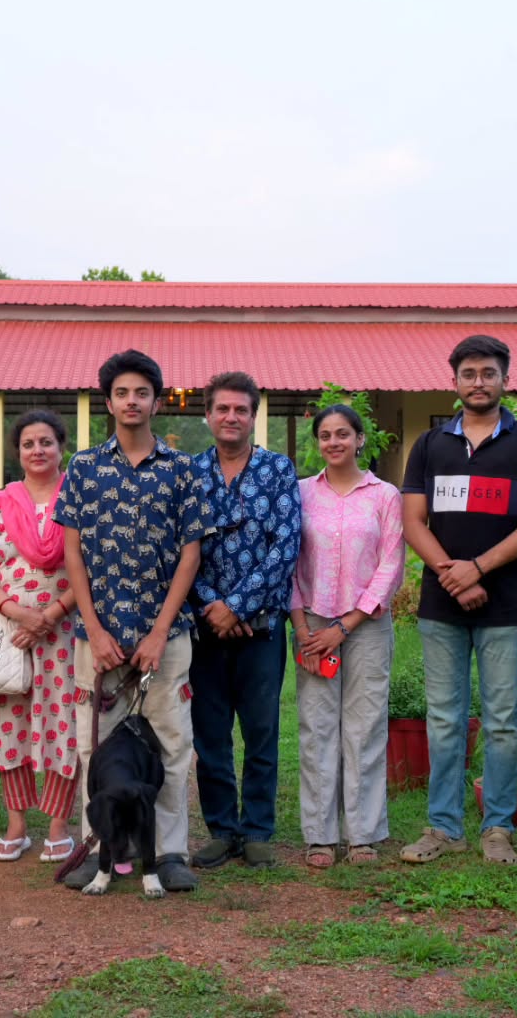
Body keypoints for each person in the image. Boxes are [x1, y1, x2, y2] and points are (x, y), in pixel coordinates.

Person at [399, 335, 517, 867]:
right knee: (444, 718)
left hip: (504, 605)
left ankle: (497, 827)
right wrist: (452, 575)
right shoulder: (429, 446)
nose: (478, 382)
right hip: (441, 605)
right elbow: (412, 522)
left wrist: (479, 569)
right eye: (468, 373)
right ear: (455, 382)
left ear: (504, 379)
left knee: (502, 719)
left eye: (488, 373)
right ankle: (444, 827)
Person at [56, 349, 213, 893]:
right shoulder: (82, 468)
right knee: (92, 746)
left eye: (141, 392)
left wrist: (157, 632)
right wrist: (95, 631)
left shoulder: (181, 469)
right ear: (108, 401)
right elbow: (72, 552)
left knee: (171, 744)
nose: (131, 401)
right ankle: (94, 848)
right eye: (121, 393)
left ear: (156, 401)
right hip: (96, 637)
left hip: (164, 636)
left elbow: (190, 554)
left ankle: (169, 852)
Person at [188, 372, 301, 870]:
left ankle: (255, 829)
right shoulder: (191, 474)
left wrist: (238, 606)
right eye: (223, 409)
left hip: (261, 627)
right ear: (208, 416)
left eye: (241, 410)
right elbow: (182, 549)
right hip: (205, 628)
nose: (231, 417)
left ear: (254, 417)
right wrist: (215, 606)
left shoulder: (278, 470)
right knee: (209, 734)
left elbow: (287, 546)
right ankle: (220, 828)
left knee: (260, 730)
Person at [290, 404, 404, 869]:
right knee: (316, 729)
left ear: (360, 439)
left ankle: (362, 834)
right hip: (313, 626)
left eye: (343, 434)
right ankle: (320, 834)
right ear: (317, 442)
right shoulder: (299, 494)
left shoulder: (384, 494)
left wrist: (347, 625)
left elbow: (392, 562)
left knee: (365, 727)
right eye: (325, 435)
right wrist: (303, 630)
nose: (334, 442)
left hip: (367, 626)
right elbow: (290, 563)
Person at [0, 410, 80, 863]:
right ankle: (16, 825)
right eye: (28, 444)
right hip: (10, 634)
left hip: (67, 630)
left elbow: (90, 568)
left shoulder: (78, 498)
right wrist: (20, 614)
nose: (38, 451)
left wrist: (51, 614)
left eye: (46, 442)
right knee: (8, 726)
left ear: (61, 448)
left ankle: (58, 826)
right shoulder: (0, 504)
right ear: (18, 452)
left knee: (65, 725)